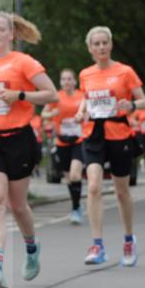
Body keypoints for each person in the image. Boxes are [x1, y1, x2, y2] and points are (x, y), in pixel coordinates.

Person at [0, 12, 58, 288]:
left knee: (18, 206)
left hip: (19, 138)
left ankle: (32, 247)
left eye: (1, 29)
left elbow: (51, 94)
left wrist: (19, 95)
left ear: (11, 34)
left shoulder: (24, 62)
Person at [74, 26, 145, 266]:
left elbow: (144, 99)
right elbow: (87, 98)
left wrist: (132, 106)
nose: (101, 47)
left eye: (105, 42)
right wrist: (80, 111)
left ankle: (128, 239)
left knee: (121, 191)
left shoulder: (124, 71)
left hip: (119, 133)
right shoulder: (85, 74)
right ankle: (97, 245)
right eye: (96, 44)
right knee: (94, 186)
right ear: (90, 49)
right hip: (94, 133)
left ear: (111, 45)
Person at [42, 69, 86, 224]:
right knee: (68, 178)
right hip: (62, 142)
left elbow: (88, 113)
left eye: (69, 79)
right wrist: (53, 113)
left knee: (75, 175)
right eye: (64, 79)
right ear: (60, 82)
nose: (67, 82)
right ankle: (77, 205)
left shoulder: (82, 96)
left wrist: (83, 117)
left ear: (74, 81)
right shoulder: (56, 97)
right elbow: (43, 114)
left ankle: (75, 208)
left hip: (78, 141)